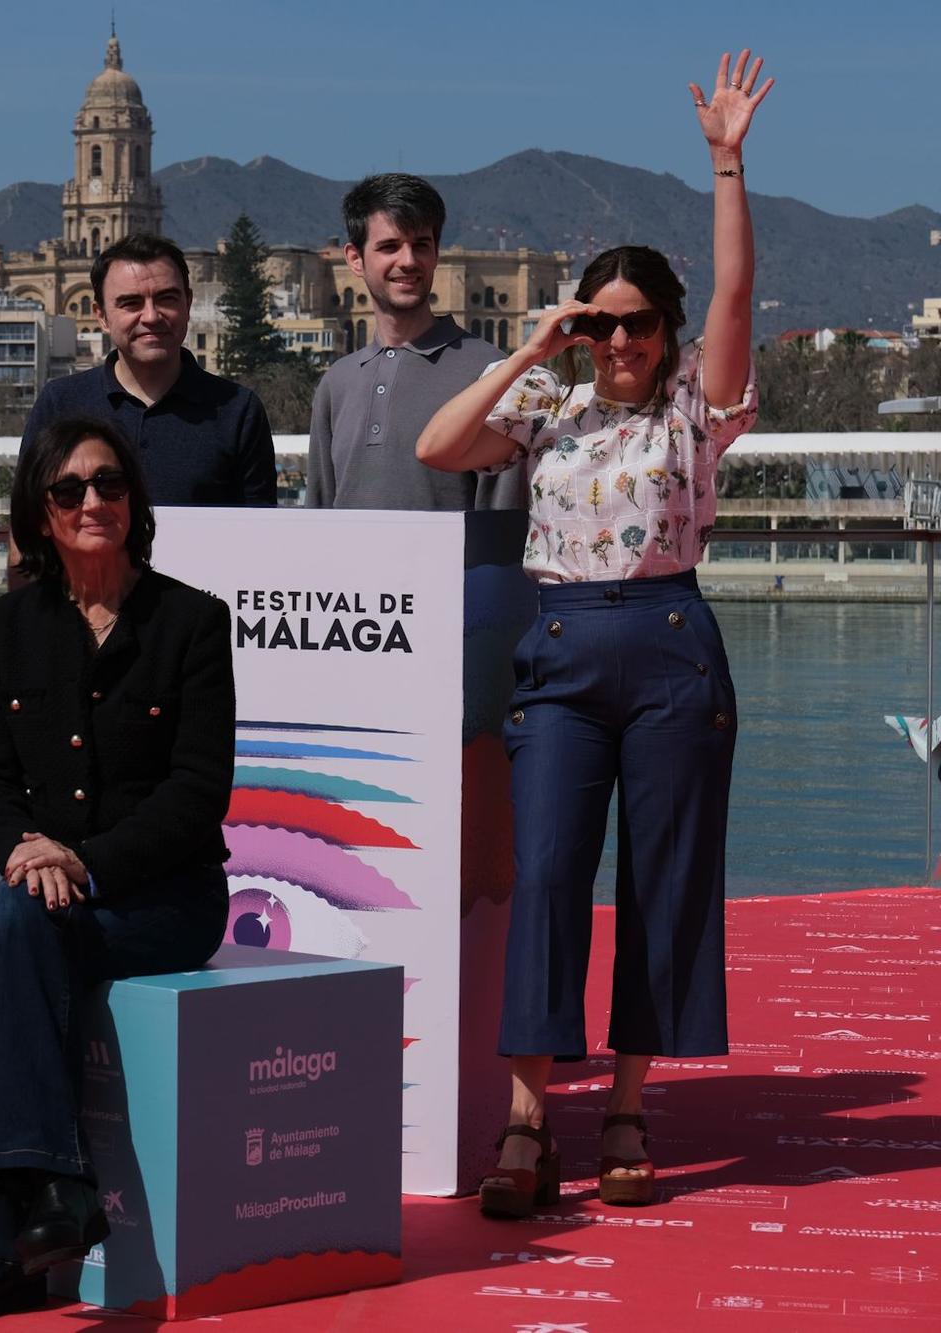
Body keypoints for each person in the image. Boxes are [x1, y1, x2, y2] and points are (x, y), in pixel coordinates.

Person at [416, 50, 772, 1218]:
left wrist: (723, 165)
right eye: (602, 323)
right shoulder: (549, 405)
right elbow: (438, 448)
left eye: (637, 325)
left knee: (662, 880)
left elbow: (729, 300)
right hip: (559, 649)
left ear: (664, 332)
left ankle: (623, 1104)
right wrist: (534, 344)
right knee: (548, 874)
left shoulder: (691, 411)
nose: (619, 343)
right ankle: (529, 1121)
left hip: (668, 642)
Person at [0, 417, 235, 1322]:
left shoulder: (194, 621)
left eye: (109, 485)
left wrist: (79, 861)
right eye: (69, 491)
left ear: (133, 502)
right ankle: (48, 1198)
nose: (93, 502)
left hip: (163, 901)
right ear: (41, 515)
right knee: (11, 934)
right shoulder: (10, 623)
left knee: (3, 943)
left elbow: (198, 792)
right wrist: (20, 849)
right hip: (39, 894)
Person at [307, 173, 521, 511]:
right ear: (355, 259)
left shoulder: (491, 372)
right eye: (389, 246)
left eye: (420, 245)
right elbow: (318, 515)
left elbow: (500, 523)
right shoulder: (337, 384)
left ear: (436, 254)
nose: (408, 261)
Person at [20, 233, 278, 506]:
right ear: (102, 316)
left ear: (187, 304)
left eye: (166, 299)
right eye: (131, 303)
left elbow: (260, 529)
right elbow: (26, 519)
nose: (152, 316)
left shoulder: (238, 411)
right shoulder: (60, 405)